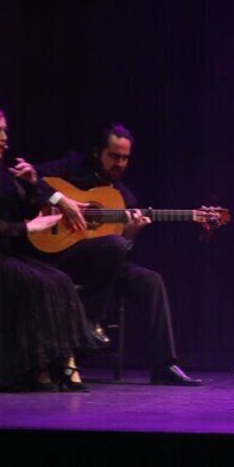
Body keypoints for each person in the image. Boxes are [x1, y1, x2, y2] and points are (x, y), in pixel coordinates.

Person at [33, 123, 202, 386]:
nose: (120, 163)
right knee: (113, 246)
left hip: (104, 265)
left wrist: (130, 234)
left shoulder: (124, 197)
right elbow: (33, 179)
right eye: (114, 156)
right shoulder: (72, 167)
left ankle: (164, 365)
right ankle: (90, 322)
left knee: (150, 280)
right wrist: (62, 202)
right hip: (62, 255)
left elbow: (121, 249)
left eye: (125, 158)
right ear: (98, 152)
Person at [0, 105, 92, 391]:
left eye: (5, 131)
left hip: (0, 254)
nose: (4, 138)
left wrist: (31, 185)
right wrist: (27, 227)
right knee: (33, 283)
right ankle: (36, 367)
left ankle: (62, 361)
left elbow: (16, 208)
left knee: (59, 280)